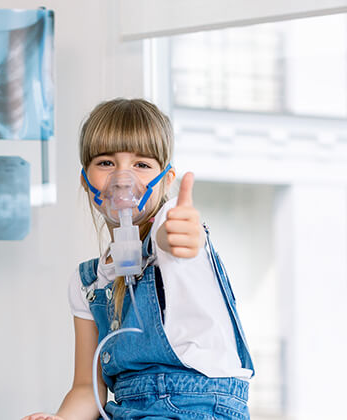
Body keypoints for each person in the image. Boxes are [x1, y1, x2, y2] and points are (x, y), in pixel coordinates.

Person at [22, 98, 254, 420]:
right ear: (85, 179)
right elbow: (87, 389)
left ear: (167, 180)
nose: (122, 178)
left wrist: (184, 234)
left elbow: (174, 239)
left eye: (142, 165)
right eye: (105, 163)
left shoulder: (168, 225)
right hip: (129, 408)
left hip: (195, 406)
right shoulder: (88, 282)